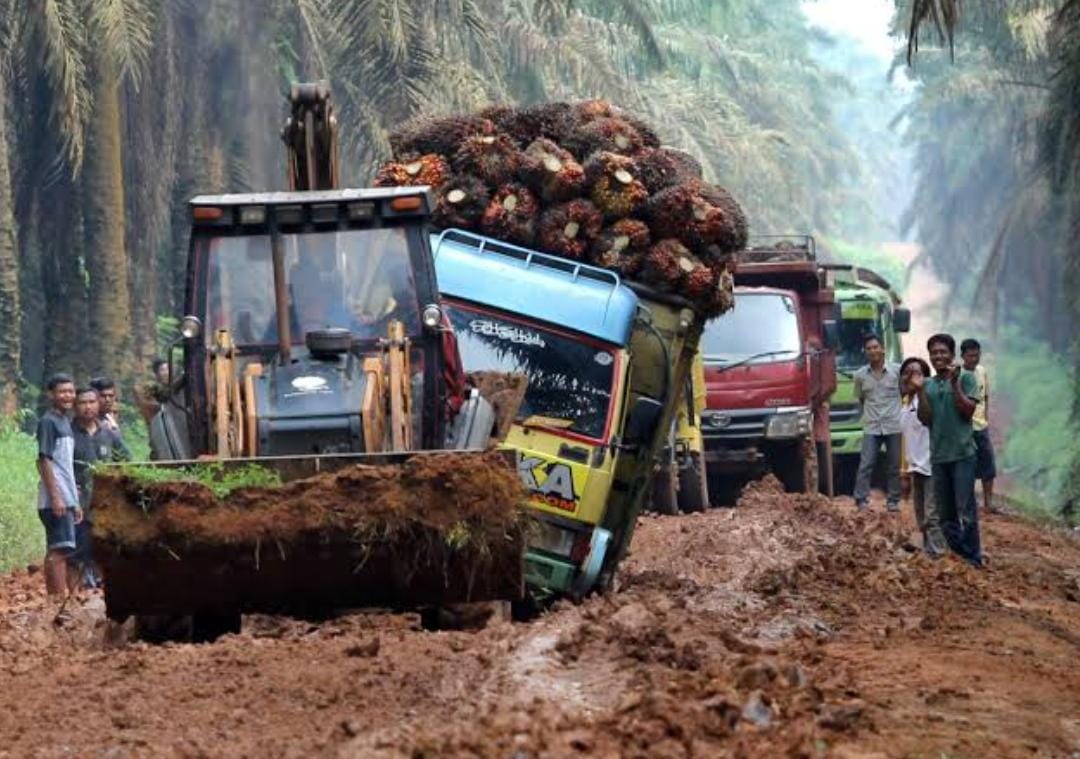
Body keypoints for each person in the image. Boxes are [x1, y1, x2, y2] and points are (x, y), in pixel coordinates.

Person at [914, 333, 983, 567]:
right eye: (934, 353)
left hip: (963, 454)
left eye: (943, 352)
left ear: (952, 355)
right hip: (939, 456)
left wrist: (954, 383)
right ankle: (964, 555)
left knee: (966, 512)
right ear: (930, 357)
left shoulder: (967, 378)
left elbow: (968, 411)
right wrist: (919, 391)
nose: (938, 356)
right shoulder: (929, 385)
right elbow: (925, 419)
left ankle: (973, 558)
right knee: (945, 518)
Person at [71, 387, 128, 588]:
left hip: (107, 502)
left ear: (98, 404)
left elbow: (126, 460)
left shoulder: (109, 433)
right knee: (80, 546)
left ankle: (104, 581)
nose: (88, 407)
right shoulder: (68, 433)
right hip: (79, 501)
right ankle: (80, 587)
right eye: (82, 403)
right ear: (75, 406)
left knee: (107, 543)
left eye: (91, 402)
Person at [36, 373, 82, 599]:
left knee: (65, 549)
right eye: (62, 392)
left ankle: (65, 600)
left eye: (71, 391)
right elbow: (44, 460)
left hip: (67, 497)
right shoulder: (48, 421)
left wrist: (74, 501)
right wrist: (56, 497)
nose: (68, 396)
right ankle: (56, 600)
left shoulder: (65, 421)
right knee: (59, 550)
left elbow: (66, 466)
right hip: (55, 498)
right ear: (51, 395)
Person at [899, 357, 947, 557]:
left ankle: (939, 554)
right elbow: (906, 438)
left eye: (917, 372)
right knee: (920, 514)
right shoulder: (904, 402)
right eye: (907, 372)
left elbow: (928, 418)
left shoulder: (926, 397)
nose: (911, 376)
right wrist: (904, 469)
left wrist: (920, 390)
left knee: (932, 515)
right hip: (915, 465)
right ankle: (929, 551)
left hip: (931, 463)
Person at [852, 333, 902, 512]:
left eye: (875, 347)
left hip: (894, 425)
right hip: (872, 427)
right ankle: (861, 500)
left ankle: (893, 501)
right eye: (869, 348)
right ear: (865, 352)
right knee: (866, 464)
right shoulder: (859, 375)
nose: (873, 351)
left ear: (882, 349)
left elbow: (903, 394)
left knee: (894, 465)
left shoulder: (897, 371)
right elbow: (860, 399)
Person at [961, 338, 998, 512]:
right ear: (963, 356)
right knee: (966, 465)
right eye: (970, 356)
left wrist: (985, 418)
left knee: (988, 463)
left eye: (977, 355)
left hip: (981, 426)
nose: (974, 359)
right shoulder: (958, 375)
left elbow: (986, 397)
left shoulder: (982, 371)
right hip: (964, 427)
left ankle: (988, 503)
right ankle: (968, 503)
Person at [89, 376, 132, 460]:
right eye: (103, 396)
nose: (107, 400)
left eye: (110, 396)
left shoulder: (110, 422)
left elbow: (124, 456)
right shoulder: (87, 422)